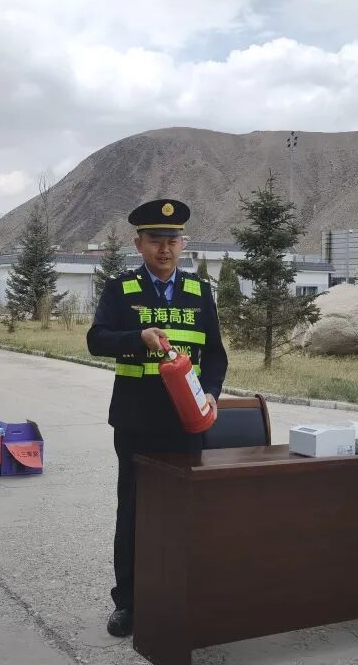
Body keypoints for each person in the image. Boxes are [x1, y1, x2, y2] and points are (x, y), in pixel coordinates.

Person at [86, 198, 228, 638]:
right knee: (134, 511)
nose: (164, 249)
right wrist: (137, 337)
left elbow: (216, 355)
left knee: (187, 512)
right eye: (155, 240)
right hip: (136, 423)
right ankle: (128, 602)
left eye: (172, 240)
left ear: (183, 244)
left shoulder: (200, 291)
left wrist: (211, 392)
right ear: (139, 244)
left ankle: (186, 594)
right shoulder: (120, 289)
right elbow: (96, 340)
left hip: (186, 424)